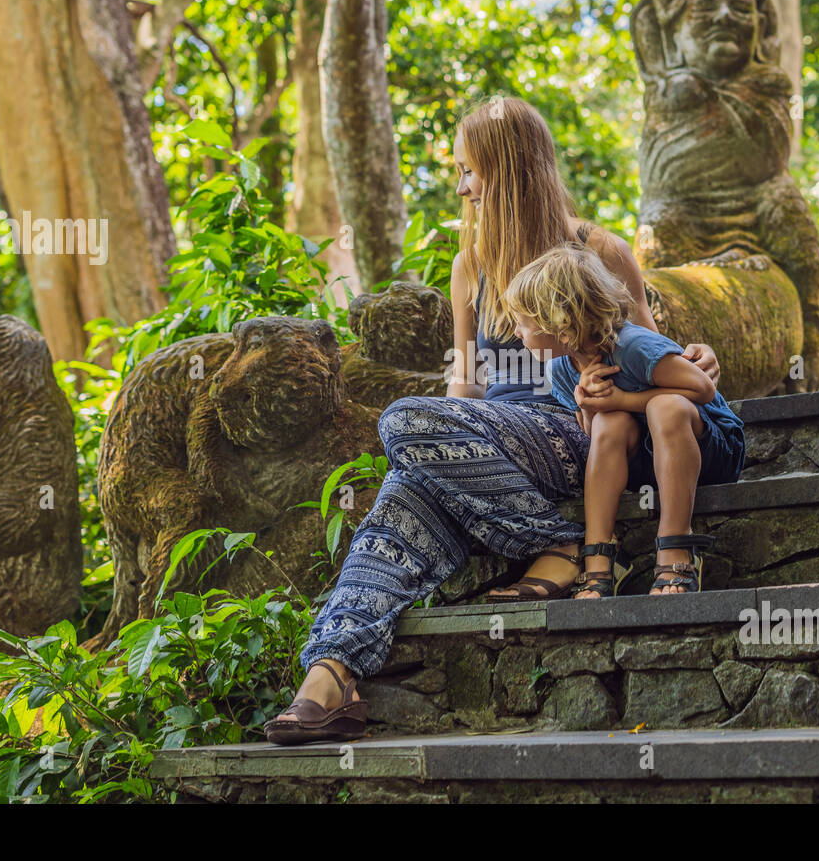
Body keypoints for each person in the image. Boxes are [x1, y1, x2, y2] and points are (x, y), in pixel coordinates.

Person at [264, 96, 722, 746]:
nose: (461, 187)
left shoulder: (598, 249)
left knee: (404, 425)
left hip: (573, 430)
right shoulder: (470, 266)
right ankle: (331, 671)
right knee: (405, 484)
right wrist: (449, 452)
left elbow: (647, 355)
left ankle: (563, 543)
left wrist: (696, 357)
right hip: (488, 442)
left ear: (509, 171)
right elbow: (465, 386)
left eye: (470, 170)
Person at [505, 244, 744, 599]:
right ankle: (599, 562)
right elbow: (596, 439)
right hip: (648, 460)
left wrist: (624, 400)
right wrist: (587, 405)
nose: (516, 333)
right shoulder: (561, 369)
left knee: (666, 408)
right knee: (607, 423)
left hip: (709, 447)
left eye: (522, 323)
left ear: (563, 328)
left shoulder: (632, 346)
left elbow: (702, 388)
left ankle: (675, 549)